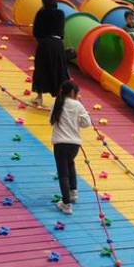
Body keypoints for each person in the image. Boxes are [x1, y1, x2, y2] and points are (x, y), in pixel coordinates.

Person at [50, 80, 91, 215]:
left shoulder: (56, 103)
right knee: (70, 164)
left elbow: (52, 121)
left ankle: (66, 203)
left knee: (63, 173)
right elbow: (86, 123)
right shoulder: (78, 105)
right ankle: (73, 192)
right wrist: (77, 120)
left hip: (60, 143)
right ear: (73, 92)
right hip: (74, 144)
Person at [31, 0, 70, 106]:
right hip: (57, 43)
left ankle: (39, 97)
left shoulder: (40, 13)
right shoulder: (60, 13)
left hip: (44, 44)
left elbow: (36, 32)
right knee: (59, 69)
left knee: (41, 69)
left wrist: (42, 40)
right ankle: (61, 97)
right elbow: (61, 32)